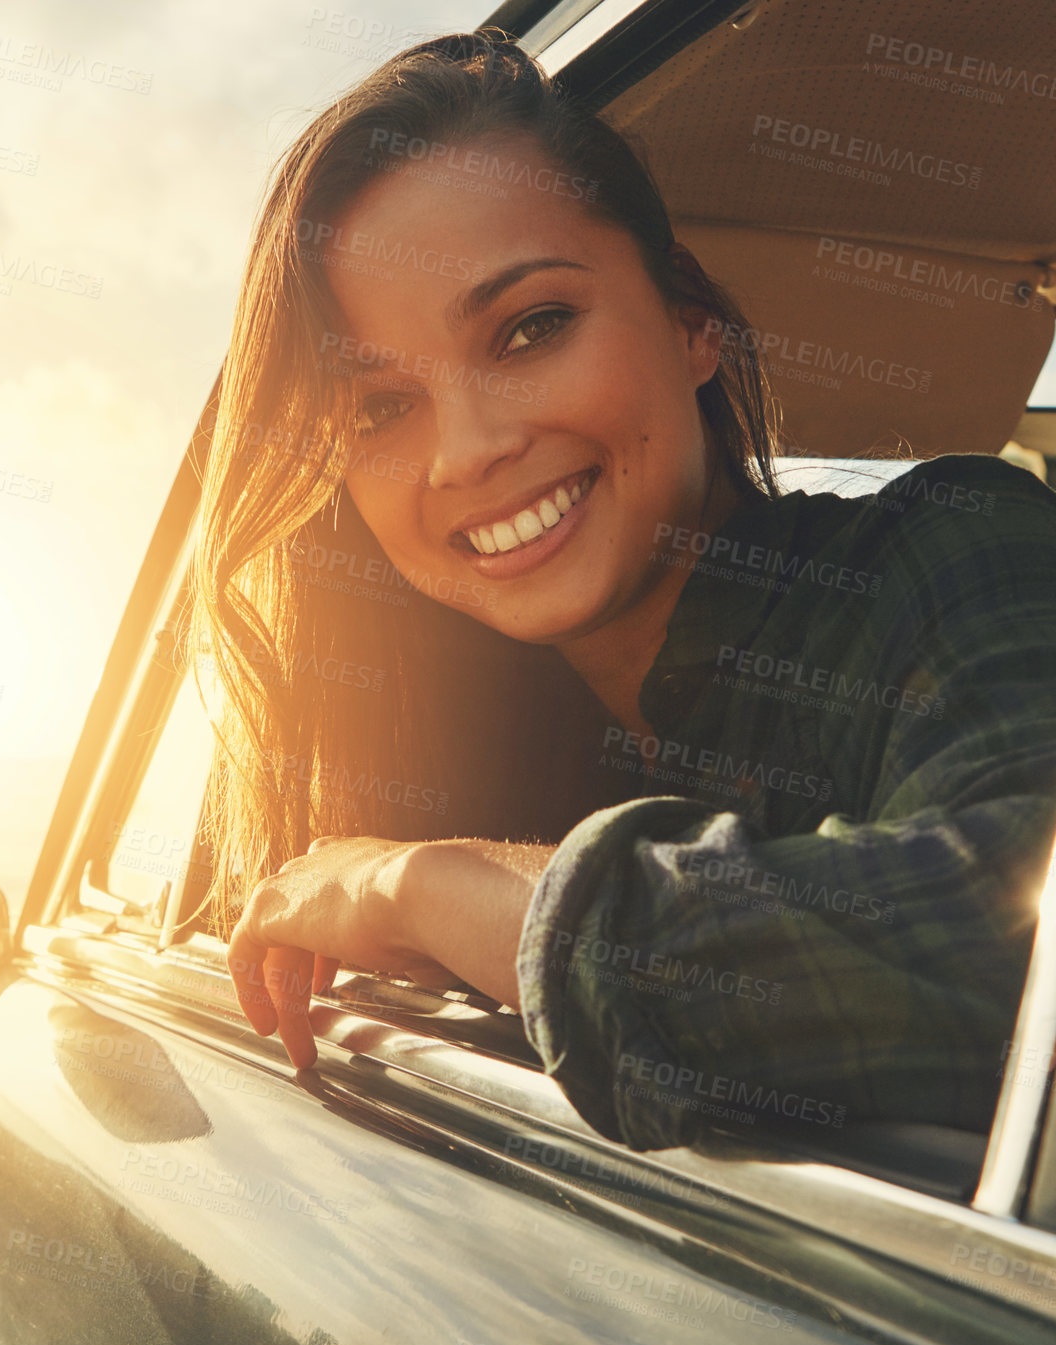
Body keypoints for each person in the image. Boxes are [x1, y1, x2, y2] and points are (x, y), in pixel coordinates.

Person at [191, 30, 1056, 1154]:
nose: (467, 452)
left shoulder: (957, 546)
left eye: (530, 327)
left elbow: (1005, 964)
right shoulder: (420, 729)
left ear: (691, 323)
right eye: (378, 410)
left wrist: (432, 889)